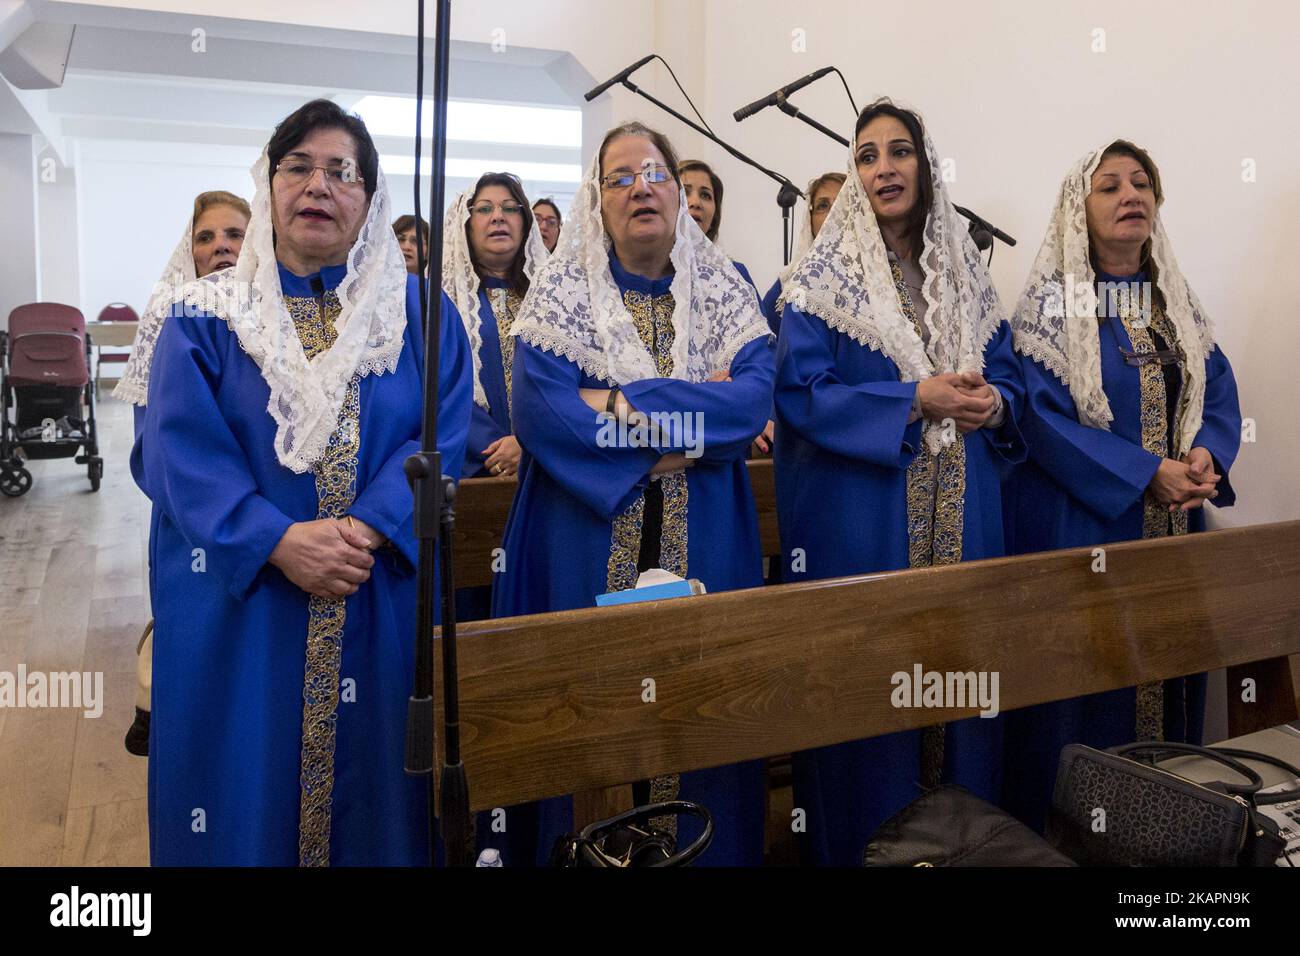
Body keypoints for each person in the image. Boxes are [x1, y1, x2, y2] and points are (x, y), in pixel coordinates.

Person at [134, 99, 472, 866]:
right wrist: (277, 540)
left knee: (379, 796)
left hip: (373, 587)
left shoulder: (421, 313)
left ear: (370, 199)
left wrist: (370, 526)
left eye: (342, 171)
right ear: (270, 185)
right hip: (243, 606)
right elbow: (175, 453)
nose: (319, 184)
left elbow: (442, 431)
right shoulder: (205, 315)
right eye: (299, 167)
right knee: (239, 799)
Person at [492, 121, 774, 866]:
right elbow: (544, 413)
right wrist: (683, 424)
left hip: (708, 535)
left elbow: (749, 404)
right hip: (580, 537)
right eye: (619, 177)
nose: (639, 187)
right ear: (599, 201)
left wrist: (612, 402)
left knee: (704, 716)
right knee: (588, 730)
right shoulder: (561, 294)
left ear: (680, 194)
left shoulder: (726, 291)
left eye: (654, 173)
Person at [773, 99, 1026, 866]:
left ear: (925, 164)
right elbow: (802, 394)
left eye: (900, 151)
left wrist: (995, 401)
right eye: (868, 155)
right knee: (873, 709)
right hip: (867, 527)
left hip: (965, 524)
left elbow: (1007, 372)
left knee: (964, 699)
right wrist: (916, 399)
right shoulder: (819, 282)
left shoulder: (963, 277)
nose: (885, 167)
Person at [1000, 140, 1242, 831]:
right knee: (1085, 696)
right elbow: (1040, 420)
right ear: (1079, 211)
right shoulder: (1051, 307)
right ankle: (1074, 837)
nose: (1130, 194)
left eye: (1141, 183)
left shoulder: (1173, 303)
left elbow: (1214, 388)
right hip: (1084, 531)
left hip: (1173, 533)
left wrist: (1206, 455)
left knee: (1165, 687)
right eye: (1109, 186)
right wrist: (1143, 473)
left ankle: (1167, 838)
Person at [116, 188, 252, 757]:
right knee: (201, 652)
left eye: (234, 235)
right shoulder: (170, 321)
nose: (220, 247)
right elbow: (154, 447)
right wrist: (226, 505)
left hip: (272, 520)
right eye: (206, 238)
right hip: (195, 519)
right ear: (191, 253)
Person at [443, 172, 547, 480]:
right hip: (472, 470)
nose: (498, 217)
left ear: (524, 221)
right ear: (466, 223)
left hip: (549, 465)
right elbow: (438, 389)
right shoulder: (441, 302)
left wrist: (530, 445)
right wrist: (495, 449)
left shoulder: (553, 300)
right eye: (485, 209)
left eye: (510, 208)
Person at [760, 172, 844, 334]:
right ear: (809, 220)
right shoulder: (787, 285)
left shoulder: (883, 276)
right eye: (823, 206)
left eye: (842, 203)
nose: (832, 213)